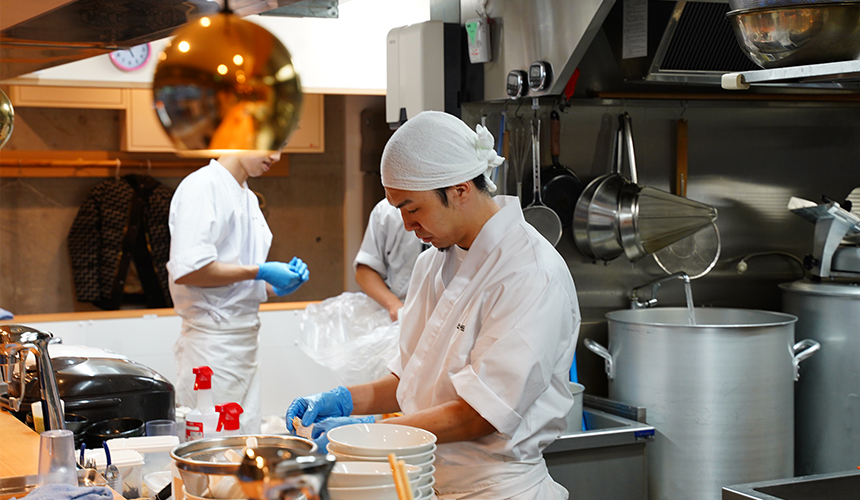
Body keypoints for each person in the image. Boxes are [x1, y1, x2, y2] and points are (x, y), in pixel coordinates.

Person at [286, 111, 580, 499]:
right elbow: (408, 380)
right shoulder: (433, 261)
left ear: (460, 190)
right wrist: (342, 400)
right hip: (427, 481)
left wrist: (369, 433)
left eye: (412, 209)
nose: (408, 226)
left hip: (497, 488)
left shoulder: (530, 273)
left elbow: (479, 414)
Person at [168, 150, 309, 434]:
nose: (276, 156)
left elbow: (235, 277)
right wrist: (259, 271)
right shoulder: (203, 187)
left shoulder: (246, 196)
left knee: (244, 444)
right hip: (211, 346)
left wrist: (274, 285)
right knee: (211, 448)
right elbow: (189, 270)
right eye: (271, 142)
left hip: (244, 344)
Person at [354, 198, 427, 321]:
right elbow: (364, 271)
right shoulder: (386, 211)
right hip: (396, 315)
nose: (409, 226)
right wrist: (394, 306)